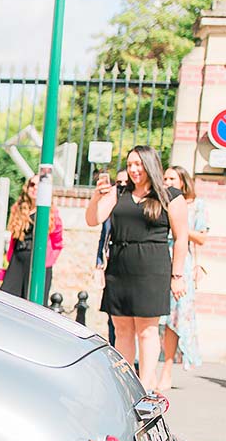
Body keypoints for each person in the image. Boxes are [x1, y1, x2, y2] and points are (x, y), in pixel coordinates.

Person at [86, 145, 189, 392]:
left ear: (150, 165)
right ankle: (126, 386)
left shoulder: (170, 195)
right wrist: (97, 196)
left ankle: (145, 386)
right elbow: (93, 219)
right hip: (120, 265)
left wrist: (177, 275)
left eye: (138, 164)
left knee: (147, 330)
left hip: (152, 267)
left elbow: (182, 237)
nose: (133, 169)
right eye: (130, 164)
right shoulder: (119, 192)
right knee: (122, 330)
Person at [157, 165, 209, 391]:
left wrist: (180, 227)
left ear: (182, 182)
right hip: (158, 258)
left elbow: (202, 238)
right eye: (165, 178)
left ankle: (166, 370)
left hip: (181, 263)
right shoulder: (158, 201)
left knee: (174, 317)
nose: (167, 182)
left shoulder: (196, 206)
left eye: (172, 178)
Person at [0, 174, 64, 302]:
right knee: (6, 300)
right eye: (32, 184)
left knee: (33, 304)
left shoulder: (50, 213)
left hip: (38, 263)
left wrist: (47, 262)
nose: (35, 188)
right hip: (17, 262)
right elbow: (14, 238)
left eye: (39, 186)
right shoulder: (18, 209)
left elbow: (58, 242)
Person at [95, 169, 128, 346]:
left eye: (126, 183)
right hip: (112, 264)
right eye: (119, 183)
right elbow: (104, 235)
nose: (122, 186)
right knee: (113, 315)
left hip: (131, 264)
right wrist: (98, 264)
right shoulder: (111, 205)